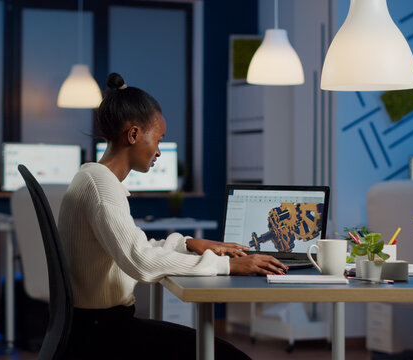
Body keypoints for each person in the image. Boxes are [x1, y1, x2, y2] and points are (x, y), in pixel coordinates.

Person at [58, 72, 287, 359]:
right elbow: (141, 262)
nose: (159, 151)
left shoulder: (92, 178)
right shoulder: (102, 188)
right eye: (159, 139)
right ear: (133, 134)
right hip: (103, 335)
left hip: (97, 326)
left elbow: (136, 248)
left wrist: (189, 243)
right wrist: (228, 266)